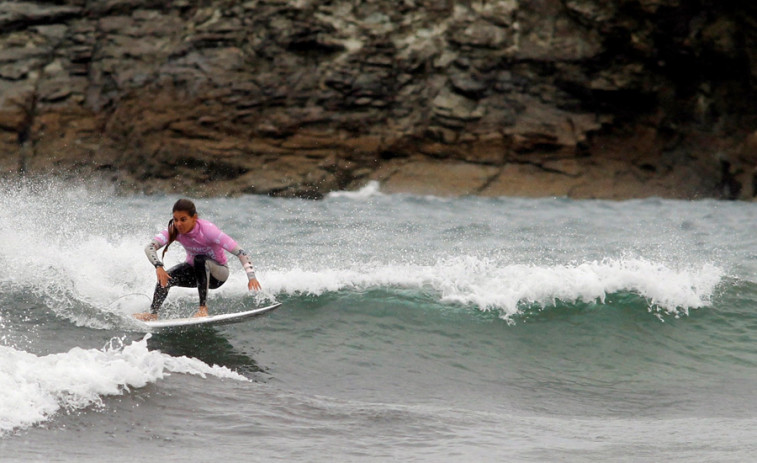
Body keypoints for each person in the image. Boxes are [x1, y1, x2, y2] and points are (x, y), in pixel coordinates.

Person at [133, 198, 261, 321]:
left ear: (194, 218)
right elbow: (149, 247)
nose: (178, 224)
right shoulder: (174, 230)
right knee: (167, 277)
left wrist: (252, 277)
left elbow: (241, 253)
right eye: (175, 219)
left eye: (183, 219)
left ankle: (203, 309)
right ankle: (153, 314)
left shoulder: (209, 231)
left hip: (218, 275)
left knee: (200, 260)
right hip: (197, 274)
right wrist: (158, 266)